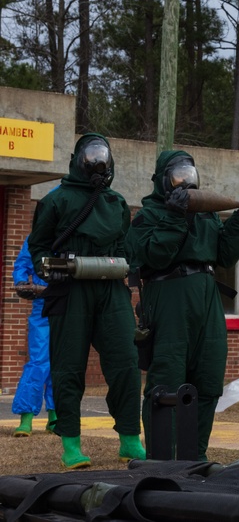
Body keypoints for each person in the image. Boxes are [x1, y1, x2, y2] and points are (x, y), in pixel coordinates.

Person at [125, 150, 239, 461]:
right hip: (169, 296)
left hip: (207, 297)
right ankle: (163, 455)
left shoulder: (207, 214)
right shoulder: (148, 216)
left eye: (189, 175)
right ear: (164, 180)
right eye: (177, 176)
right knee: (168, 375)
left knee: (208, 375)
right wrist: (175, 217)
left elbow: (225, 255)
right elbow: (155, 256)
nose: (185, 182)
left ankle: (195, 454)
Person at [28, 133, 144, 469]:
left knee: (125, 362)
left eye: (102, 157)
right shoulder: (56, 200)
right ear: (79, 159)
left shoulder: (116, 203)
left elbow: (125, 245)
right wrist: (46, 268)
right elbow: (39, 246)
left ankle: (130, 439)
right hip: (70, 290)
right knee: (68, 367)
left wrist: (123, 264)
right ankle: (71, 445)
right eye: (91, 157)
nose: (97, 163)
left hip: (110, 289)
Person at [10, 235, 56, 437]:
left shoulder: (74, 233)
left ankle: (56, 416)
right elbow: (22, 264)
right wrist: (21, 281)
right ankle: (26, 416)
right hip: (43, 304)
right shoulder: (37, 237)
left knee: (62, 361)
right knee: (39, 360)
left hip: (70, 306)